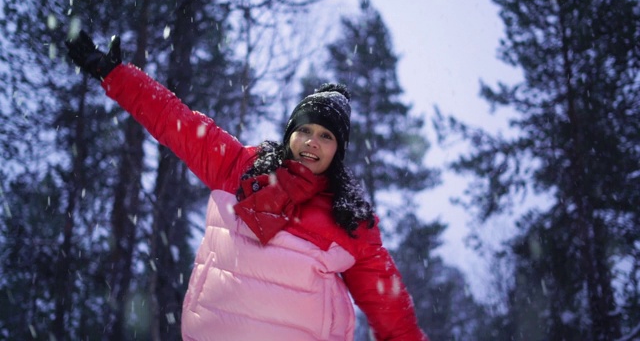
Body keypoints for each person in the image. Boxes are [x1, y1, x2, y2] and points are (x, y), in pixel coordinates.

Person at [65, 30, 428, 341]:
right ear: (289, 135)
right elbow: (174, 120)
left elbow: (393, 316)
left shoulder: (350, 220)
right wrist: (116, 75)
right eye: (303, 130)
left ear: (339, 150)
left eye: (326, 135)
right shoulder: (240, 168)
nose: (311, 142)